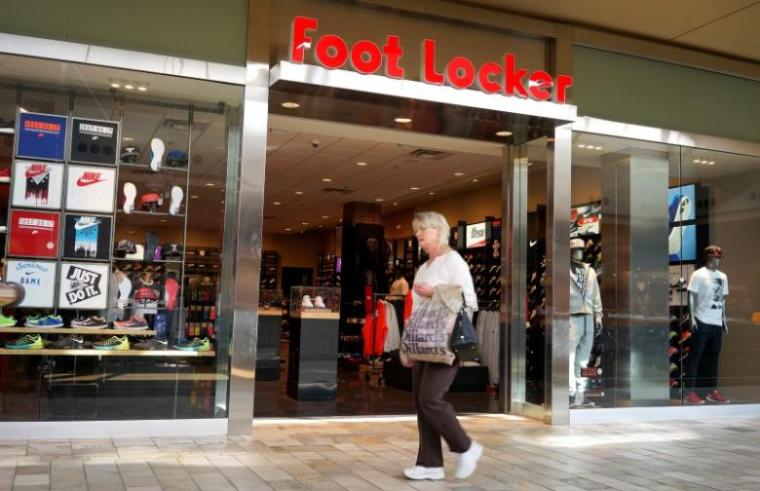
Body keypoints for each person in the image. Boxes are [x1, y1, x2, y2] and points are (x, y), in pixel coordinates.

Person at [403, 211, 482, 481]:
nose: (418, 236)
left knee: (431, 399)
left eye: (422, 230)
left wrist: (435, 292)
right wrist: (408, 346)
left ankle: (466, 447)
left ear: (438, 230)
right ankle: (429, 464)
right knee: (420, 401)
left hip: (446, 342)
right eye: (416, 232)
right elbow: (416, 309)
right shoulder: (424, 267)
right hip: (423, 342)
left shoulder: (454, 261)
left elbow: (470, 302)